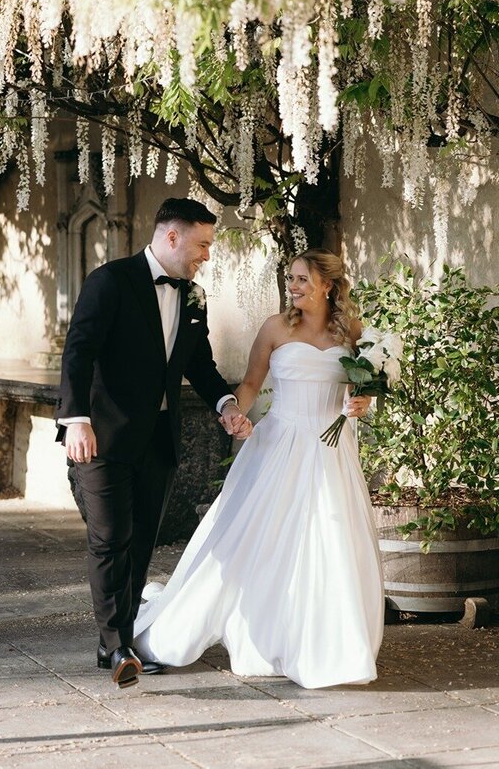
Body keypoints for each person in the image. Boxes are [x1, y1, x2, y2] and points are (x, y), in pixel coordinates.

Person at [134, 248, 385, 690]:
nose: (294, 286)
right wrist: (235, 415)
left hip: (331, 447)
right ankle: (236, 632)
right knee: (253, 538)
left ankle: (326, 646)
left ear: (328, 284)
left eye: (303, 279)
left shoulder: (353, 331)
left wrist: (361, 405)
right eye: (291, 278)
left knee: (328, 540)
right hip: (279, 444)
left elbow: (361, 392)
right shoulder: (275, 327)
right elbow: (250, 384)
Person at [56, 197, 249, 688]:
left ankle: (115, 642)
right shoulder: (110, 281)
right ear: (171, 237)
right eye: (202, 244)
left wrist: (226, 404)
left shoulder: (194, 297)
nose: (206, 254)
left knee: (141, 541)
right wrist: (76, 419)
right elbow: (78, 352)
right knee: (109, 538)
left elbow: (198, 364)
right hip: (101, 438)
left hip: (158, 441)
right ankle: (117, 644)